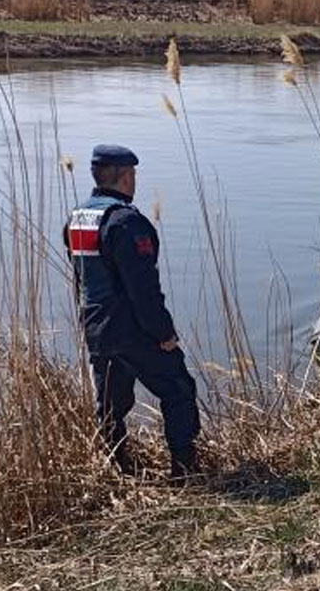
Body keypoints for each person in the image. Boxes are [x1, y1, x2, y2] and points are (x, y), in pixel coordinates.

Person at [64, 145, 200, 479]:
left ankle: (118, 469)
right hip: (132, 329)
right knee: (178, 389)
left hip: (97, 328)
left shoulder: (78, 218)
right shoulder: (127, 222)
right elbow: (143, 290)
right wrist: (163, 334)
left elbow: (81, 279)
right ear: (126, 177)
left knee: (111, 404)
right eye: (133, 175)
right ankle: (184, 473)